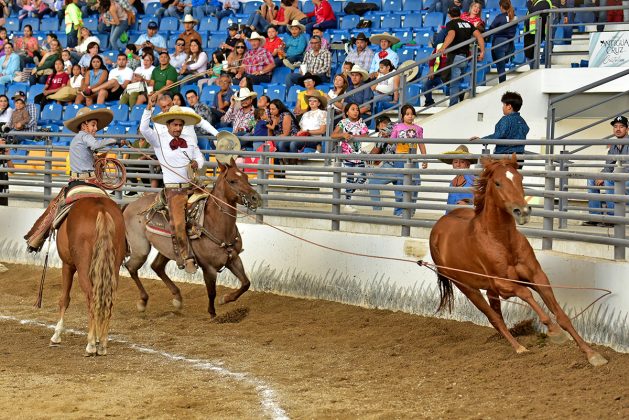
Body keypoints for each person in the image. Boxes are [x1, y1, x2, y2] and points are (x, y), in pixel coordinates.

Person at [24, 107, 122, 252]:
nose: (95, 129)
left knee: (55, 207)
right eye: (93, 125)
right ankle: (125, 245)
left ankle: (36, 239)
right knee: (113, 207)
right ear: (84, 125)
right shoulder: (85, 136)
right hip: (90, 181)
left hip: (76, 182)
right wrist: (115, 140)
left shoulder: (77, 140)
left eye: (96, 126)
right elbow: (96, 145)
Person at [140, 96, 205, 273]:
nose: (178, 128)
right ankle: (186, 257)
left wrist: (196, 164)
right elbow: (144, 129)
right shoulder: (158, 139)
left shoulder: (190, 140)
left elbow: (200, 157)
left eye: (180, 125)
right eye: (174, 125)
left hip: (192, 187)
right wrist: (148, 109)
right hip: (173, 191)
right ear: (168, 125)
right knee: (178, 223)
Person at [584, 115, 629, 226]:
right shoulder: (614, 145)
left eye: (621, 126)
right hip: (618, 179)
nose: (618, 129)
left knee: (610, 179)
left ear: (627, 129)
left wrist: (608, 176)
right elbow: (608, 166)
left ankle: (612, 218)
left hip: (627, 180)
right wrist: (602, 175)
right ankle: (595, 217)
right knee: (592, 179)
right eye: (615, 126)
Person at [436, 6, 485, 106]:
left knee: (452, 82)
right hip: (464, 58)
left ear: (449, 15)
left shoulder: (451, 23)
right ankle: (461, 96)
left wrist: (443, 47)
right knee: (454, 80)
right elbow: (479, 36)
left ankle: (453, 105)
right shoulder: (468, 24)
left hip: (455, 57)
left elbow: (451, 34)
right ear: (460, 14)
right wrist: (482, 51)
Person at [387, 104, 427, 216]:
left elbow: (421, 144)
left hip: (413, 159)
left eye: (412, 114)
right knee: (400, 184)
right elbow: (391, 141)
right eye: (407, 114)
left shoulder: (418, 129)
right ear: (402, 116)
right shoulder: (397, 127)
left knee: (415, 183)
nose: (410, 116)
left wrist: (424, 159)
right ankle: (399, 211)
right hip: (400, 158)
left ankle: (411, 209)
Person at [332, 102, 370, 213]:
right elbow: (333, 135)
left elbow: (366, 135)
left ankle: (347, 194)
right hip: (347, 155)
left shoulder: (361, 122)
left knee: (363, 177)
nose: (356, 111)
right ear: (347, 112)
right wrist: (342, 135)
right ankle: (347, 203)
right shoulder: (342, 123)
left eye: (357, 109)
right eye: (353, 109)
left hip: (358, 155)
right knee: (350, 178)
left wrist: (353, 136)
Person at [471, 91, 529, 161]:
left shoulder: (506, 119)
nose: (502, 107)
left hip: (504, 157)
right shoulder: (522, 121)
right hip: (519, 158)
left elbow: (498, 135)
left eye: (504, 105)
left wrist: (482, 140)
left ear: (509, 107)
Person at [439, 145, 476, 213]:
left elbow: (480, 202)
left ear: (468, 164)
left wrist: (469, 206)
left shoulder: (473, 181)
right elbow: (449, 206)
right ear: (452, 164)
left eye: (462, 162)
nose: (458, 165)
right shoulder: (452, 183)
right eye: (455, 162)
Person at [488, 0, 516, 83]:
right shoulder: (514, 16)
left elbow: (491, 28)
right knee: (502, 65)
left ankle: (502, 84)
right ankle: (502, 83)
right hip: (510, 42)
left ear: (501, 7)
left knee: (500, 66)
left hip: (499, 42)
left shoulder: (500, 17)